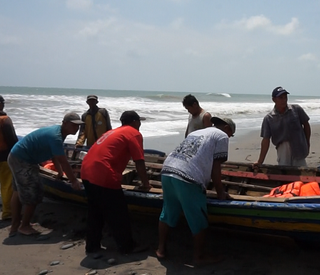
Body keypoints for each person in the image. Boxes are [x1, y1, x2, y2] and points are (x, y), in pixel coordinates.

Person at [156, 116, 235, 265]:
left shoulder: (198, 132)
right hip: (188, 177)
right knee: (199, 219)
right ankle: (199, 257)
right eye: (231, 134)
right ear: (227, 129)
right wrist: (220, 193)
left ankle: (161, 249)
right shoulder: (222, 136)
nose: (229, 137)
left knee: (168, 212)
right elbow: (215, 168)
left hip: (167, 171)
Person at [80, 110, 152, 254]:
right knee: (118, 214)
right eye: (139, 122)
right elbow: (139, 161)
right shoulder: (134, 133)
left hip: (86, 171)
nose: (140, 125)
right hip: (104, 174)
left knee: (95, 212)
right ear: (135, 122)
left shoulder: (112, 132)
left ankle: (92, 246)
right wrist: (146, 184)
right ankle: (127, 246)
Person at [8, 112, 83, 236]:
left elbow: (55, 155)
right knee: (35, 192)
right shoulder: (56, 136)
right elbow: (64, 161)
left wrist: (59, 172)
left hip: (17, 156)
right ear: (64, 123)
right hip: (23, 160)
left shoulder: (59, 133)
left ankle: (15, 225)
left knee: (18, 190)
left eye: (78, 126)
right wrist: (74, 181)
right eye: (74, 125)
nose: (76, 128)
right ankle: (24, 226)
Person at [253, 87, 311, 167]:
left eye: (285, 97)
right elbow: (266, 140)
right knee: (285, 173)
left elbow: (306, 124)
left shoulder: (296, 110)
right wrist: (260, 161)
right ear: (274, 100)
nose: (284, 100)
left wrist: (307, 142)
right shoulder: (269, 118)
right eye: (280, 98)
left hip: (298, 146)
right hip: (282, 149)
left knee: (302, 173)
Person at [0, 95, 18, 221]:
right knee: (7, 185)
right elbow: (12, 140)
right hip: (4, 157)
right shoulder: (5, 120)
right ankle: (7, 213)